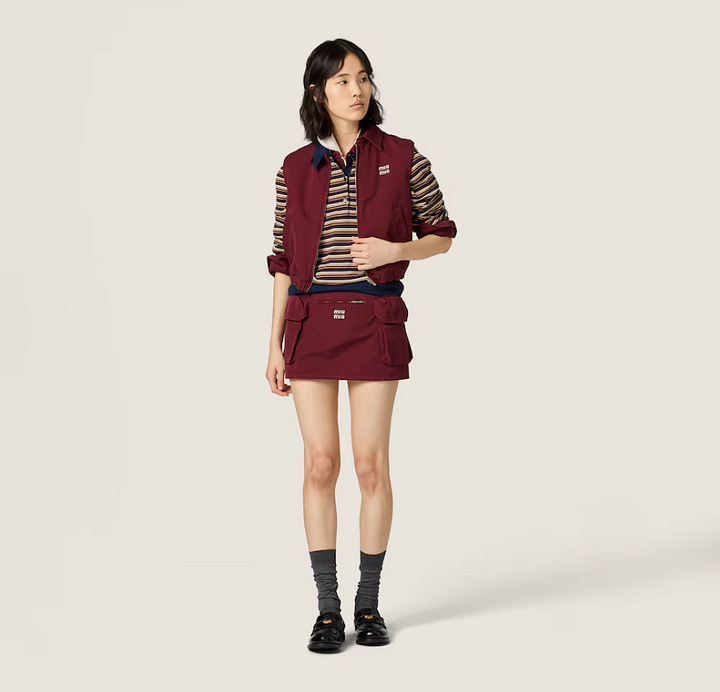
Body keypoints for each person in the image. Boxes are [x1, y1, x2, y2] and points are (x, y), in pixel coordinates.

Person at [265, 38, 457, 653]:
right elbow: (281, 260)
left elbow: (443, 233)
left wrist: (394, 249)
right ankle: (328, 611)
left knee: (371, 465)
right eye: (343, 80)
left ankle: (367, 604)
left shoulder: (403, 156)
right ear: (318, 92)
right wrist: (274, 343)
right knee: (320, 464)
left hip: (375, 320)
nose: (357, 89)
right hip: (309, 324)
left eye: (364, 78)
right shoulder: (294, 168)